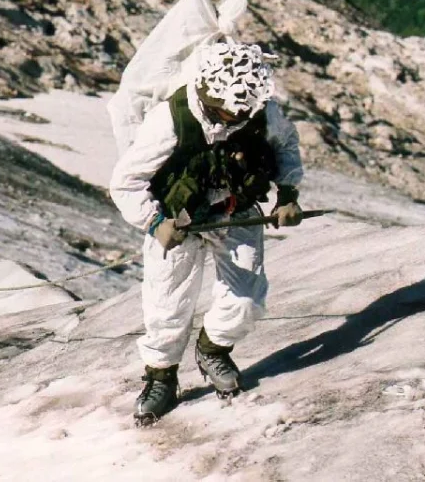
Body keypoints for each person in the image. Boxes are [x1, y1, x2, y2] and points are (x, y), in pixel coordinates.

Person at [109, 42, 304, 424]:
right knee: (167, 304)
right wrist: (153, 222)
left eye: (241, 111)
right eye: (226, 110)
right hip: (178, 220)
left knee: (247, 297)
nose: (234, 117)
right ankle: (161, 377)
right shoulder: (171, 120)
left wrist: (288, 194)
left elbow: (286, 146)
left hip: (236, 212)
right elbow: (126, 181)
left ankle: (213, 348)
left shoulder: (262, 111)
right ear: (206, 91)